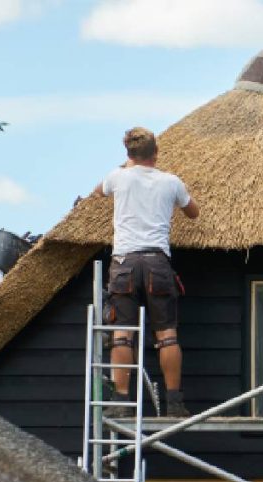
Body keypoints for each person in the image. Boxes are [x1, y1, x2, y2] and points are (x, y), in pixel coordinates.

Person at [91, 126, 200, 417]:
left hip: (124, 263)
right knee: (167, 336)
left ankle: (121, 402)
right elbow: (194, 212)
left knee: (122, 336)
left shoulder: (118, 177)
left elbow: (97, 192)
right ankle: (174, 403)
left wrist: (126, 166)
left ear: (128, 154)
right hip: (156, 262)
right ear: (156, 152)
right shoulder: (171, 182)